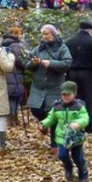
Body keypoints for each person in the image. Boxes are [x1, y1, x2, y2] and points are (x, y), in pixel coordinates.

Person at [26, 24, 73, 153]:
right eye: (43, 34)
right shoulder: (37, 49)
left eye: (47, 34)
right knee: (35, 109)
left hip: (55, 86)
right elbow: (28, 64)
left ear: (53, 34)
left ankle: (55, 144)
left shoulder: (62, 48)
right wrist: (33, 63)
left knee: (54, 115)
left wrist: (51, 63)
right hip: (38, 86)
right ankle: (44, 124)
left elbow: (67, 63)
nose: (44, 36)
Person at [39, 81, 90, 182]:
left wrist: (78, 123)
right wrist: (44, 123)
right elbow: (51, 117)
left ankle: (83, 173)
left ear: (74, 94)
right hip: (62, 137)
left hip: (76, 137)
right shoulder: (57, 106)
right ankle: (68, 168)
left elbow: (85, 118)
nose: (66, 97)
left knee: (78, 157)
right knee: (62, 155)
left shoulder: (79, 106)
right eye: (64, 94)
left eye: (68, 94)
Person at [66, 22, 92, 133]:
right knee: (90, 100)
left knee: (75, 100)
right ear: (90, 30)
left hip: (72, 73)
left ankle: (75, 124)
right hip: (88, 74)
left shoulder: (69, 42)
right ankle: (90, 126)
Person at [2, 27, 26, 126]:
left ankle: (12, 118)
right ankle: (13, 118)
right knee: (15, 95)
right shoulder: (15, 45)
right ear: (15, 34)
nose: (21, 35)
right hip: (16, 73)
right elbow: (19, 60)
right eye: (20, 33)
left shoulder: (3, 44)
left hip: (7, 72)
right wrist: (27, 65)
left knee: (11, 95)